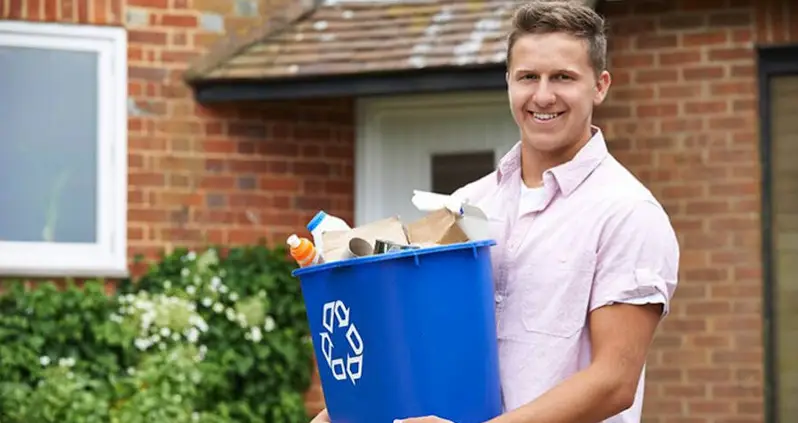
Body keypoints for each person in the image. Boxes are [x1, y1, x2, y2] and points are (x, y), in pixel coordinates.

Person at [310, 1, 680, 422]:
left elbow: (614, 381)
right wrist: (349, 410)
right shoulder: (469, 205)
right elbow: (424, 339)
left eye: (563, 77)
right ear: (508, 82)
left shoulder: (627, 213)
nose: (543, 95)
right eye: (528, 77)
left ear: (600, 86)